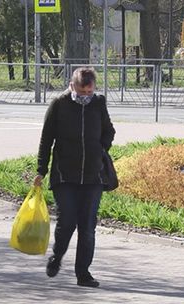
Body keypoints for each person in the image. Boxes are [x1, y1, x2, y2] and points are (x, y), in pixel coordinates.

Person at [33, 67, 116, 288]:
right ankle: (57, 256)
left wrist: (100, 149)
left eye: (89, 92)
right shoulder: (59, 104)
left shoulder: (98, 103)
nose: (85, 97)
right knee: (67, 221)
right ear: (73, 85)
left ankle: (83, 274)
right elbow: (46, 139)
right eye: (81, 92)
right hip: (64, 175)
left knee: (87, 226)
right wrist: (41, 170)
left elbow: (109, 131)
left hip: (93, 175)